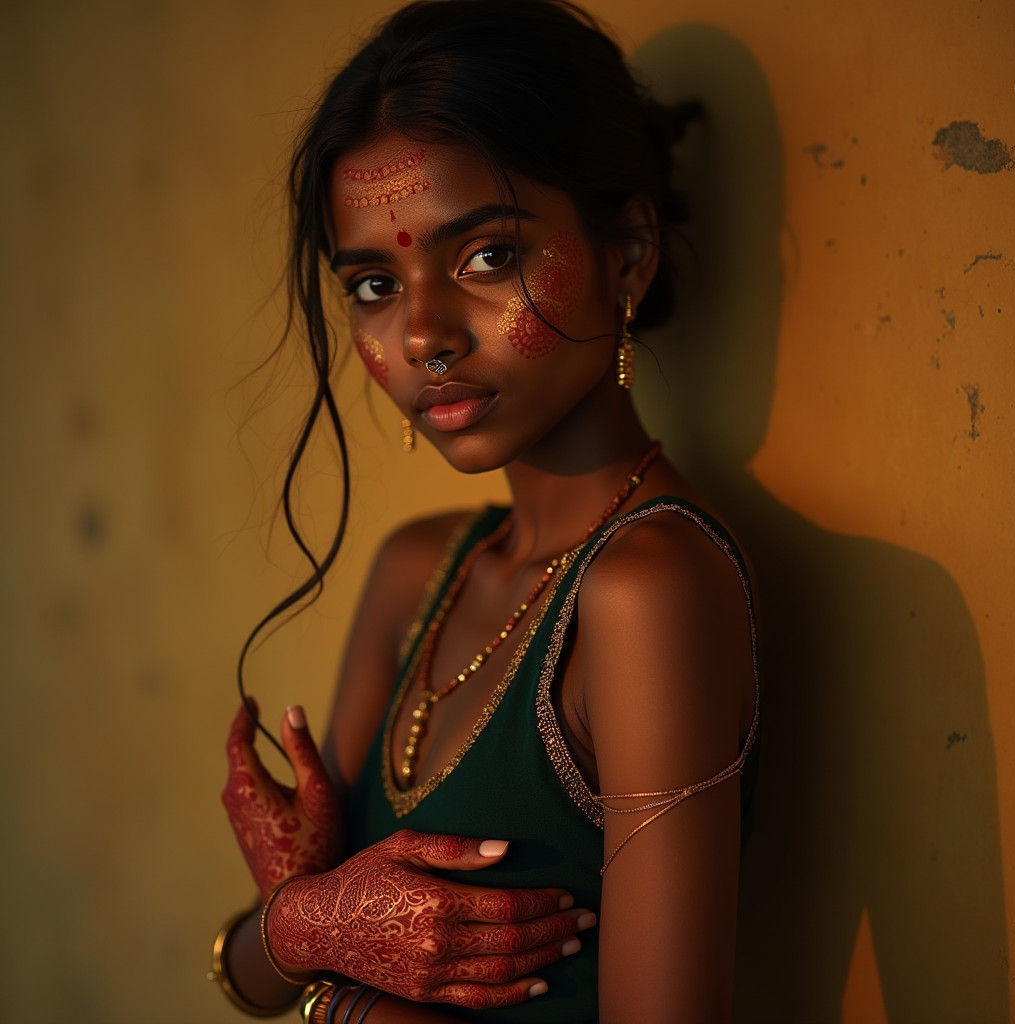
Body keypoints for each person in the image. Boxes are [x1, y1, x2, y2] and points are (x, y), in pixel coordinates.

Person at [209, 2, 759, 1022]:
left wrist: (343, 999)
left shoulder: (647, 588)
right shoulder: (420, 570)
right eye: (374, 282)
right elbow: (259, 965)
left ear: (626, 254)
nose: (422, 333)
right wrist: (302, 920)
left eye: (486, 258)